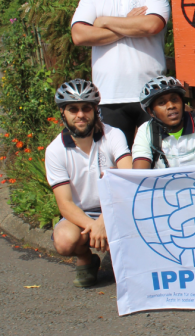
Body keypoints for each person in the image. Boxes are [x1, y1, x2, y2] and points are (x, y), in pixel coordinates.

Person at [70, 0, 171, 147]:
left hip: (152, 94)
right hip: (109, 96)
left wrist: (103, 22)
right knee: (115, 167)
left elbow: (151, 25)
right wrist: (129, 23)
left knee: (155, 161)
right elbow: (79, 35)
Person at [44, 79, 132, 288]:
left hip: (116, 208)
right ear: (63, 113)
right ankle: (86, 259)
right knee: (65, 241)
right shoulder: (55, 150)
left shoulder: (113, 135)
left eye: (86, 108)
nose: (80, 115)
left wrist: (104, 220)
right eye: (73, 109)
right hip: (82, 215)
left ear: (95, 110)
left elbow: (128, 180)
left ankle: (118, 256)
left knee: (127, 270)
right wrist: (94, 227)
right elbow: (65, 204)